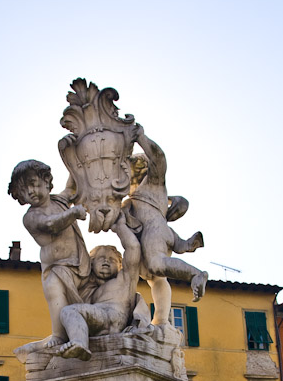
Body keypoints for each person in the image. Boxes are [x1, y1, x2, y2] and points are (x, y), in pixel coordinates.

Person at [124, 126, 207, 329]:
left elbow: (159, 158)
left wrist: (140, 137)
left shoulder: (153, 183)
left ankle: (196, 274)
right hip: (151, 234)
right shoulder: (132, 196)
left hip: (155, 231)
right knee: (155, 278)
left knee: (156, 265)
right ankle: (160, 320)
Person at [8, 160, 92, 348]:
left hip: (81, 264)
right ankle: (59, 334)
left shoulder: (60, 201)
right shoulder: (31, 216)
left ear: (46, 181)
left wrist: (76, 159)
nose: (31, 192)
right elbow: (50, 224)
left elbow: (72, 187)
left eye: (34, 184)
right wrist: (73, 213)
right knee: (56, 294)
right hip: (56, 269)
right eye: (24, 191)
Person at [59, 213, 142, 360]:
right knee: (68, 311)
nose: (106, 262)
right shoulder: (90, 289)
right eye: (101, 259)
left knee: (69, 310)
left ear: (120, 265)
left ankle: (79, 342)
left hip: (113, 316)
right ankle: (76, 343)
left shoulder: (125, 279)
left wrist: (120, 226)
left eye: (112, 260)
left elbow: (133, 248)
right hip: (99, 322)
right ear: (91, 264)